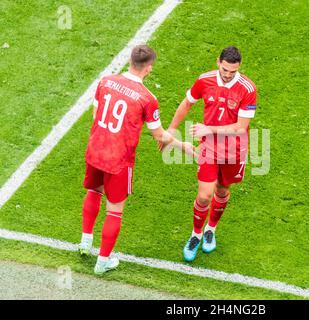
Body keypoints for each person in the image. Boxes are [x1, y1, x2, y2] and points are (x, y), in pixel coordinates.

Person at [78, 44, 195, 274]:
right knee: (114, 210)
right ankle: (103, 262)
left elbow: (96, 114)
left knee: (93, 192)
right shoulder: (147, 98)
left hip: (95, 149)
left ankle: (85, 242)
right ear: (149, 68)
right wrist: (185, 147)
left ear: (130, 61)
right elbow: (159, 134)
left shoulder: (105, 81)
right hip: (118, 159)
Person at [165, 46, 257, 262]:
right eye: (225, 70)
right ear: (218, 62)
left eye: (232, 72)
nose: (227, 75)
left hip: (235, 148)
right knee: (205, 194)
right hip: (210, 147)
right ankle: (196, 234)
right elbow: (187, 103)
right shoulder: (205, 80)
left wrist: (209, 129)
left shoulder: (248, 88)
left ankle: (211, 229)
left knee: (223, 191)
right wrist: (171, 130)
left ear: (238, 68)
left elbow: (241, 127)